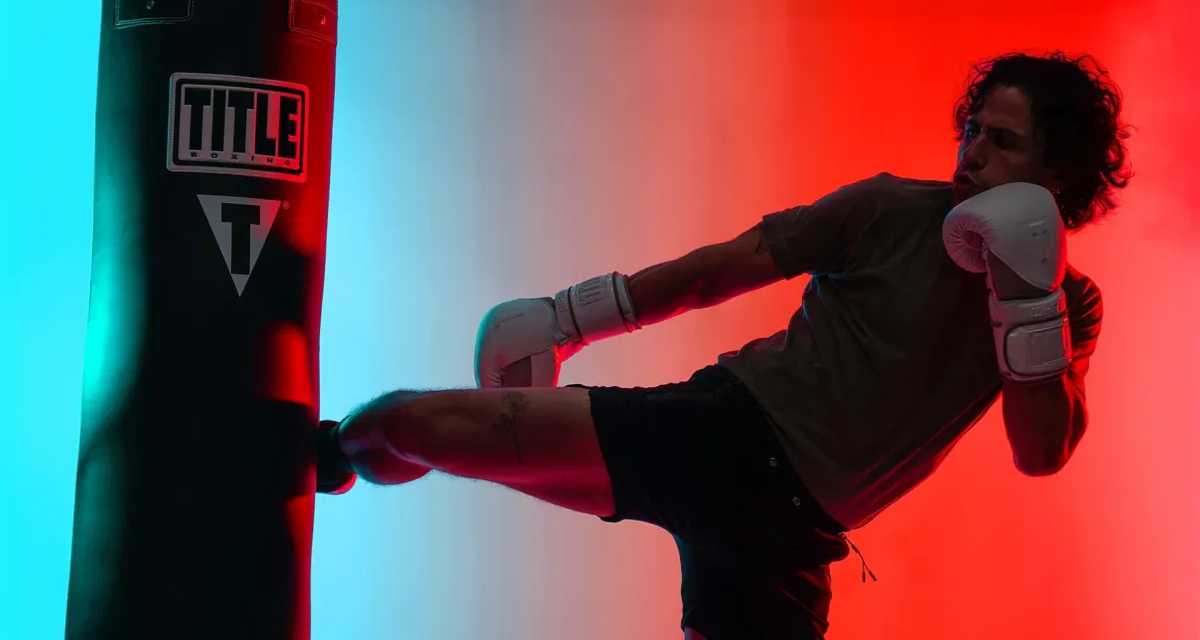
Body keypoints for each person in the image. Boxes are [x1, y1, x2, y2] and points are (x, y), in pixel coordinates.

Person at [314, 51, 1132, 639]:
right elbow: (725, 269)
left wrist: (1026, 300)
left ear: (1058, 178)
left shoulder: (1072, 305)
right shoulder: (890, 209)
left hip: (790, 538)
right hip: (718, 436)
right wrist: (569, 317)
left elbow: (1041, 450)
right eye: (974, 132)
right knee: (415, 428)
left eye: (1003, 143)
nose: (973, 153)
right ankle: (326, 453)